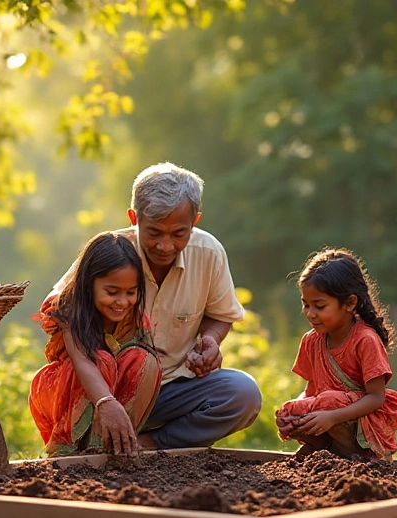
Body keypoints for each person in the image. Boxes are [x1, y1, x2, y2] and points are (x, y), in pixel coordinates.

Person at [49, 163, 261, 450]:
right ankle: (92, 445)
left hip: (173, 388)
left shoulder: (209, 253)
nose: (165, 245)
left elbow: (221, 316)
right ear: (134, 218)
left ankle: (149, 445)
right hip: (107, 386)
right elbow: (65, 315)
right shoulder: (111, 252)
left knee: (243, 394)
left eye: (178, 234)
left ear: (195, 221)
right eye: (154, 232)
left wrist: (210, 340)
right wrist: (104, 400)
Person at [29, 234, 162, 456]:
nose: (122, 302)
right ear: (89, 284)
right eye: (112, 292)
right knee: (102, 360)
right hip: (64, 391)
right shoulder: (69, 308)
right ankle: (68, 454)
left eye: (131, 292)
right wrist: (106, 402)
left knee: (145, 361)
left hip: (107, 400)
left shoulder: (136, 318)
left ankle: (113, 446)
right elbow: (82, 360)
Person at [275, 248, 397, 460]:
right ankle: (325, 450)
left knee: (329, 401)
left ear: (350, 303)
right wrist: (296, 411)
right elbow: (311, 391)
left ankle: (361, 455)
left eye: (319, 306)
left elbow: (376, 397)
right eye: (306, 304)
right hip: (329, 411)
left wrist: (332, 416)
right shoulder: (311, 341)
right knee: (288, 412)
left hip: (361, 418)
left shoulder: (365, 340)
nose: (310, 313)